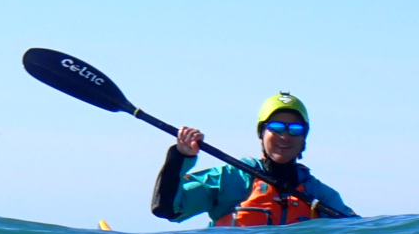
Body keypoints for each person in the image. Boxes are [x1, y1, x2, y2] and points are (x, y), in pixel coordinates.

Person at [151, 92, 357, 226]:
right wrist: (179, 156)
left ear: (304, 137)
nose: (285, 136)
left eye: (295, 129)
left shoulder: (320, 195)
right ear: (261, 133)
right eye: (276, 128)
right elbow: (167, 209)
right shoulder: (231, 179)